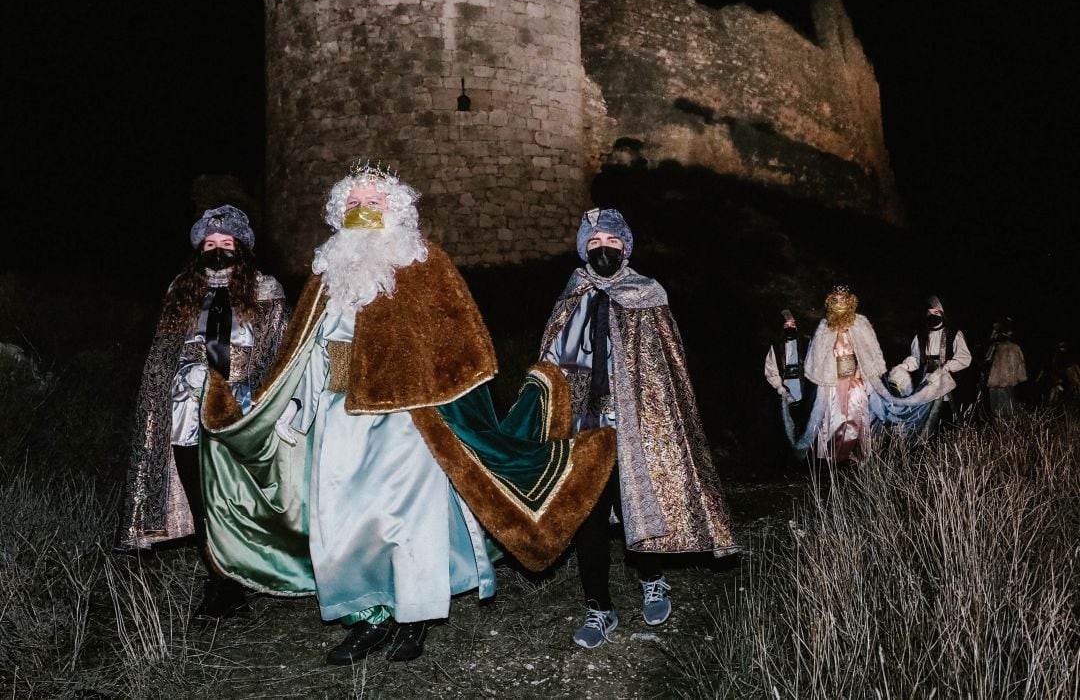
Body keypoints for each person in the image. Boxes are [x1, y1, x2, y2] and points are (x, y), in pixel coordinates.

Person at [198, 163, 615, 664]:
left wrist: (439, 397)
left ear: (396, 212)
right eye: (353, 204)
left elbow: (468, 348)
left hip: (407, 419)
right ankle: (366, 616)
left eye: (374, 204)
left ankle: (413, 617)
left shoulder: (425, 264)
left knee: (405, 519)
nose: (362, 213)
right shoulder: (328, 272)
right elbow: (304, 350)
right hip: (337, 415)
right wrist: (292, 407)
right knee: (339, 518)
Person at [540, 207, 738, 649]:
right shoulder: (572, 294)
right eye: (593, 244)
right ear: (582, 250)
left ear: (625, 247)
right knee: (587, 511)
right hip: (583, 425)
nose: (603, 249)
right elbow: (554, 360)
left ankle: (652, 578)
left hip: (637, 422)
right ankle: (599, 607)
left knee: (636, 499)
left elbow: (666, 367)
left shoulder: (647, 293)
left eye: (611, 242)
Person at [116, 205, 289, 623]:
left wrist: (255, 390)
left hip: (239, 410)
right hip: (185, 412)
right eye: (209, 245)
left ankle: (247, 571)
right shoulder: (182, 289)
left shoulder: (266, 289)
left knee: (234, 496)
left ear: (242, 249)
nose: (217, 250)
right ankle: (220, 582)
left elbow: (276, 351)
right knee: (200, 499)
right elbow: (163, 351)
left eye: (226, 244)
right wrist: (180, 379)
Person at [803, 285, 891, 463]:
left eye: (843, 299)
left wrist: (868, 373)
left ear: (850, 301)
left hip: (855, 378)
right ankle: (832, 457)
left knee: (857, 414)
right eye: (836, 299)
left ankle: (857, 456)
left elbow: (870, 350)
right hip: (833, 381)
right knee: (834, 417)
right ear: (831, 301)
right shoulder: (825, 325)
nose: (840, 302)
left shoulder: (860, 322)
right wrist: (823, 374)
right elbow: (816, 354)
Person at [889, 295, 972, 437]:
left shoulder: (954, 334)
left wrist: (946, 368)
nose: (933, 315)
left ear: (943, 314)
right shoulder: (920, 336)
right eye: (930, 313)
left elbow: (964, 357)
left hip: (947, 383)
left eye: (937, 313)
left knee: (946, 419)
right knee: (925, 419)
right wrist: (904, 367)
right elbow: (915, 359)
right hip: (926, 383)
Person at [763, 308, 815, 456]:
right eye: (786, 326)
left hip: (804, 389)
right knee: (786, 427)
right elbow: (770, 369)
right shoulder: (776, 347)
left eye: (793, 325)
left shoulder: (807, 343)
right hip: (785, 391)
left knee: (806, 423)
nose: (790, 328)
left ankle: (806, 457)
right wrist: (780, 387)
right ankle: (788, 456)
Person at [984, 317, 1027, 417]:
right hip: (1002, 382)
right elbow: (1021, 367)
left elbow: (986, 359)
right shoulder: (1002, 346)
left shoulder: (1000, 346)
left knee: (1005, 408)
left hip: (1002, 383)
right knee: (1005, 408)